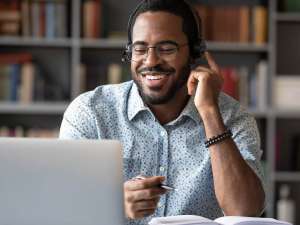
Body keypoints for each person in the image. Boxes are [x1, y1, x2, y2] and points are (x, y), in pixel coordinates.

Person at [59, 0, 265, 224]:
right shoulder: (90, 113)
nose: (151, 61)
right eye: (140, 49)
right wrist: (112, 202)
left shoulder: (233, 118)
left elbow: (245, 212)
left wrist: (209, 112)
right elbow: (62, 203)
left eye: (166, 49)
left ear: (196, 54)